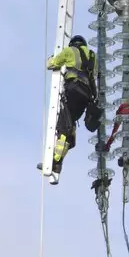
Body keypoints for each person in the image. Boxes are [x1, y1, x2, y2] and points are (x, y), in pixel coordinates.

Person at [45, 34, 99, 184]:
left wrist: (51, 58)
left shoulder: (70, 51)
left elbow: (52, 64)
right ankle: (58, 163)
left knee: (63, 127)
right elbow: (96, 75)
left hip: (73, 90)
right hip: (86, 97)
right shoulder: (93, 57)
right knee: (70, 125)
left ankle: (54, 159)